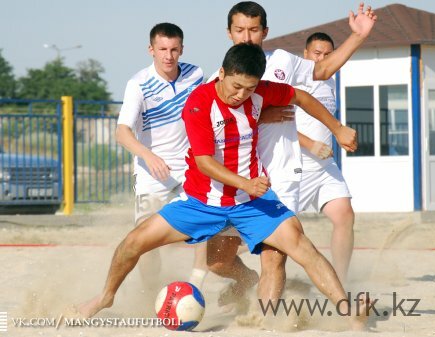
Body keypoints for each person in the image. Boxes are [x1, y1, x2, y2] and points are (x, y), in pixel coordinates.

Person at [78, 43, 369, 331]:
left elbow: (301, 97)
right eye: (236, 86)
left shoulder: (260, 92)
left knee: (301, 247)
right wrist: (247, 183)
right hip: (201, 202)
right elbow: (204, 163)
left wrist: (337, 128)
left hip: (251, 202)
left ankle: (346, 313)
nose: (241, 95)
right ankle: (105, 297)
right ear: (221, 73)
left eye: (250, 88)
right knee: (134, 242)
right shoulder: (198, 103)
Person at [205, 1, 377, 309]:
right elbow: (211, 132)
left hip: (281, 175)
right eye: (240, 30)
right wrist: (260, 115)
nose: (247, 37)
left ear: (265, 32)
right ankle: (250, 286)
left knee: (274, 256)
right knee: (217, 262)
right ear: (228, 32)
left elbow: (322, 70)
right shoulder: (215, 80)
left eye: (254, 30)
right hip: (237, 180)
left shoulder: (282, 61)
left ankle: (265, 319)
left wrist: (358, 37)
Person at [114, 22, 207, 291]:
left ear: (182, 49)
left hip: (189, 167)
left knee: (204, 222)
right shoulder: (138, 84)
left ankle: (196, 284)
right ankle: (150, 292)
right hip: (151, 172)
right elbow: (122, 133)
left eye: (174, 49)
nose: (168, 55)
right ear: (151, 50)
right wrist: (149, 156)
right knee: (145, 243)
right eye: (162, 49)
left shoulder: (195, 74)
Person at [295, 32, 354, 283]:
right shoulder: (295, 80)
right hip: (296, 168)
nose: (322, 58)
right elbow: (276, 126)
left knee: (345, 215)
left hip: (325, 167)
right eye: (317, 53)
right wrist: (310, 145)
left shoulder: (330, 80)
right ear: (305, 55)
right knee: (274, 233)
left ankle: (339, 280)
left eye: (328, 54)